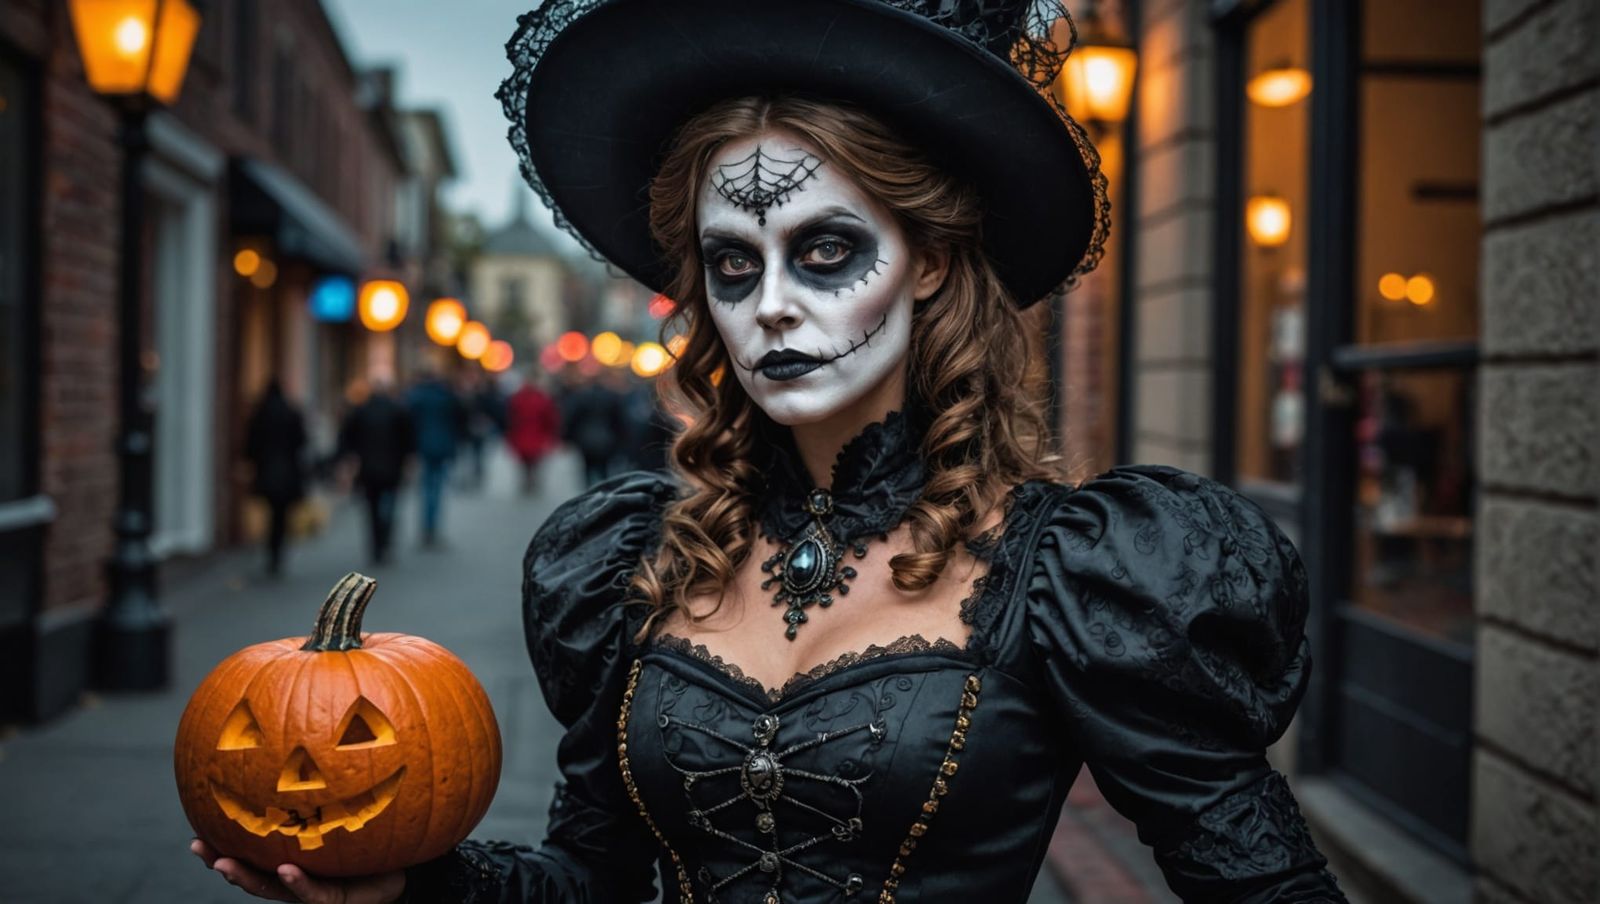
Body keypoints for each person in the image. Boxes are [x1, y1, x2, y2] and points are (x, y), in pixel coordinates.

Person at [196, 2, 1346, 902]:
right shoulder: (637, 560)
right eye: (734, 266)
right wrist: (416, 883)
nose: (771, 309)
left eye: (827, 249)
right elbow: (594, 879)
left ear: (931, 261)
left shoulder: (1077, 574)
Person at [335, 380, 413, 566]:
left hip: (368, 469)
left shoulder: (361, 411)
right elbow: (408, 441)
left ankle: (376, 545)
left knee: (371, 509)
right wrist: (407, 463)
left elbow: (346, 439)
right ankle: (385, 541)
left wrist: (346, 462)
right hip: (392, 468)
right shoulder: (397, 411)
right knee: (389, 507)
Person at [243, 379, 307, 576]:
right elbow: (301, 441)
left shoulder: (260, 414)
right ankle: (277, 551)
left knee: (272, 512)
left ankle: (273, 550)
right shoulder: (291, 413)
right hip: (287, 472)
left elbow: (250, 445)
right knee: (281, 514)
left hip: (267, 471)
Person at [406, 370, 463, 546]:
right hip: (442, 447)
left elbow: (409, 425)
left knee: (427, 488)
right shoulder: (446, 397)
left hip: (424, 446)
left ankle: (427, 527)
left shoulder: (416, 398)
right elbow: (456, 422)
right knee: (436, 488)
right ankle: (432, 527)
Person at [505, 372, 562, 495]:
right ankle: (531, 480)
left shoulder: (518, 398)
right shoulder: (541, 398)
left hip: (525, 434)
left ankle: (528, 480)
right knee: (533, 461)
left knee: (527, 462)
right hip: (533, 434)